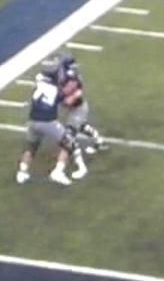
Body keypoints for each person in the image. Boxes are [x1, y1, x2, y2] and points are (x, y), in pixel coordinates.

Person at [17, 57, 72, 186]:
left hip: (32, 121)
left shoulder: (40, 84)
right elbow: (65, 100)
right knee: (68, 143)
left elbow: (41, 77)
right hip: (48, 122)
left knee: (31, 147)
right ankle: (58, 172)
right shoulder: (56, 91)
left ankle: (22, 172)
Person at [57, 51, 101, 179]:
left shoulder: (69, 77)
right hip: (77, 108)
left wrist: (63, 99)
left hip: (78, 109)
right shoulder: (73, 75)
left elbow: (71, 97)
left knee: (69, 138)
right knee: (81, 126)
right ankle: (98, 140)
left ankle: (81, 168)